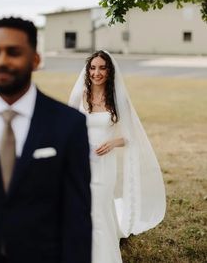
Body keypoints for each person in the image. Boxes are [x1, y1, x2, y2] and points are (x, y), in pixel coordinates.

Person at [0, 17, 92, 263]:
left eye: (13, 52)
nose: (1, 61)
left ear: (35, 60)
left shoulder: (69, 124)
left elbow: (76, 215)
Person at [69, 50, 166, 263]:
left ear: (110, 71)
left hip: (105, 164)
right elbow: (68, 128)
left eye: (102, 67)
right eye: (93, 68)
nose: (97, 72)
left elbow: (131, 136)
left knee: (99, 205)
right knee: (87, 207)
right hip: (83, 163)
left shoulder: (117, 97)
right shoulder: (81, 94)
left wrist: (113, 142)